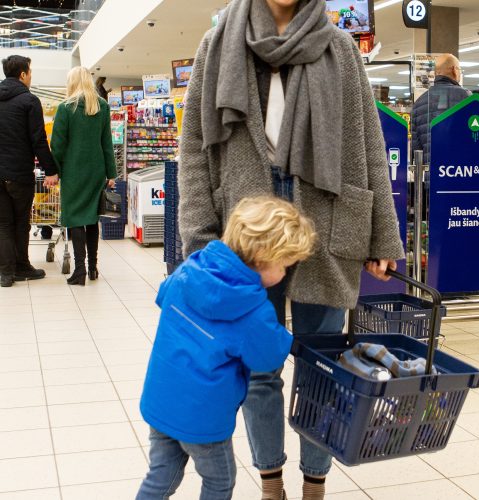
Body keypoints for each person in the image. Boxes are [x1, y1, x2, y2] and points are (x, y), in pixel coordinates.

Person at [178, 1, 404, 499]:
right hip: (247, 230)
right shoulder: (218, 46)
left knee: (323, 365)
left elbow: (369, 144)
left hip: (327, 222)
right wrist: (198, 236)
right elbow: (194, 147)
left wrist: (383, 236)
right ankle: (271, 480)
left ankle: (316, 482)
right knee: (260, 369)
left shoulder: (339, 48)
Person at [136, 196, 316, 500]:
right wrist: (284, 336)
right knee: (219, 481)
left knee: (161, 474)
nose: (286, 274)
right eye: (285, 265)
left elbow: (163, 296)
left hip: (161, 398)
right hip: (204, 415)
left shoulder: (191, 267)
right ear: (262, 256)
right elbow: (268, 356)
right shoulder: (251, 308)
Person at [51, 66, 117, 286]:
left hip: (73, 172)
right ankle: (93, 268)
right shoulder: (103, 107)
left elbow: (58, 145)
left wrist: (55, 171)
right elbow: (107, 143)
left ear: (71, 82)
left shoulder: (65, 108)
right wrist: (111, 173)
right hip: (96, 171)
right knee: (91, 219)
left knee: (75, 219)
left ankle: (79, 271)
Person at [0, 55, 59, 288]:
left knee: (3, 224)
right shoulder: (29, 100)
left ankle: (5, 274)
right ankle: (22, 266)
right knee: (21, 221)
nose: (31, 76)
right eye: (30, 72)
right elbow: (38, 140)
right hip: (19, 174)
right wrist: (51, 170)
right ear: (23, 74)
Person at [411, 53, 471, 164]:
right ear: (454, 70)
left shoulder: (419, 103)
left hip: (432, 175)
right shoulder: (466, 97)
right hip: (461, 171)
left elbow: (416, 148)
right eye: (459, 69)